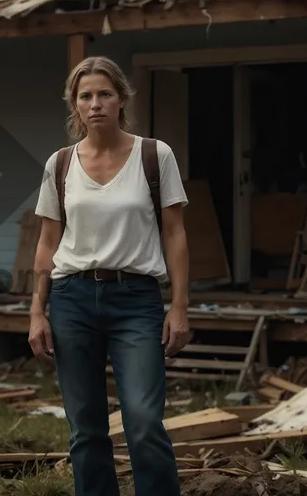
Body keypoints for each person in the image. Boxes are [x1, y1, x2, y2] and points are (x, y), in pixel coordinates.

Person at [27, 56, 192, 496]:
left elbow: (175, 234)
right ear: (74, 105)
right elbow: (47, 242)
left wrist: (178, 306)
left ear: (121, 99)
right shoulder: (60, 164)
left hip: (136, 299)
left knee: (142, 419)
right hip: (71, 299)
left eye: (105, 94)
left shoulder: (155, 155)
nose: (95, 103)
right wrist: (36, 311)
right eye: (86, 96)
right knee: (86, 427)